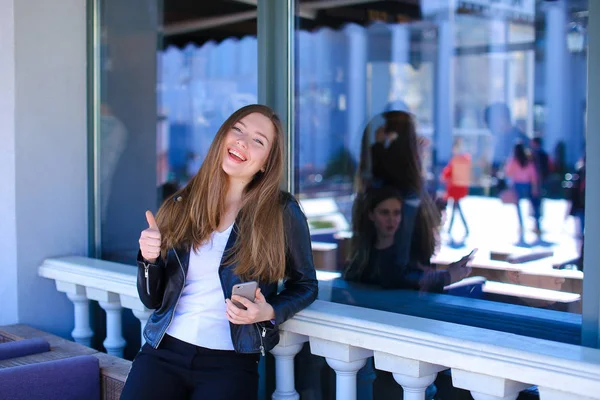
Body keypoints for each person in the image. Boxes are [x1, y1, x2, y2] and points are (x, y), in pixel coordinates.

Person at [120, 105, 318, 400]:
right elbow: (152, 299)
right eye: (237, 130)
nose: (242, 142)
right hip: (163, 352)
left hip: (229, 363)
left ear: (266, 163)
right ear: (222, 136)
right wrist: (149, 260)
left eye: (258, 141)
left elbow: (306, 284)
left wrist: (271, 311)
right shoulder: (182, 203)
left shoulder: (281, 212)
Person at [345, 186, 472, 292]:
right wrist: (446, 276)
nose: (391, 219)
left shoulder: (409, 256)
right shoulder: (363, 259)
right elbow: (397, 279)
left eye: (396, 213)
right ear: (371, 215)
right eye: (384, 212)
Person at [505, 143, 540, 243]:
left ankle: (521, 226)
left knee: (518, 207)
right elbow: (533, 174)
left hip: (517, 185)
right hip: (528, 184)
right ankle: (536, 225)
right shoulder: (528, 159)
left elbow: (508, 172)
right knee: (533, 205)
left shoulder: (514, 160)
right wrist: (534, 187)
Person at [441, 138, 472, 241]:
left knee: (456, 207)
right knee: (456, 207)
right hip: (459, 187)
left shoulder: (456, 160)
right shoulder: (464, 159)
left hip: (455, 188)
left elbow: (448, 172)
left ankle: (461, 228)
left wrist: (444, 177)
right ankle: (452, 228)